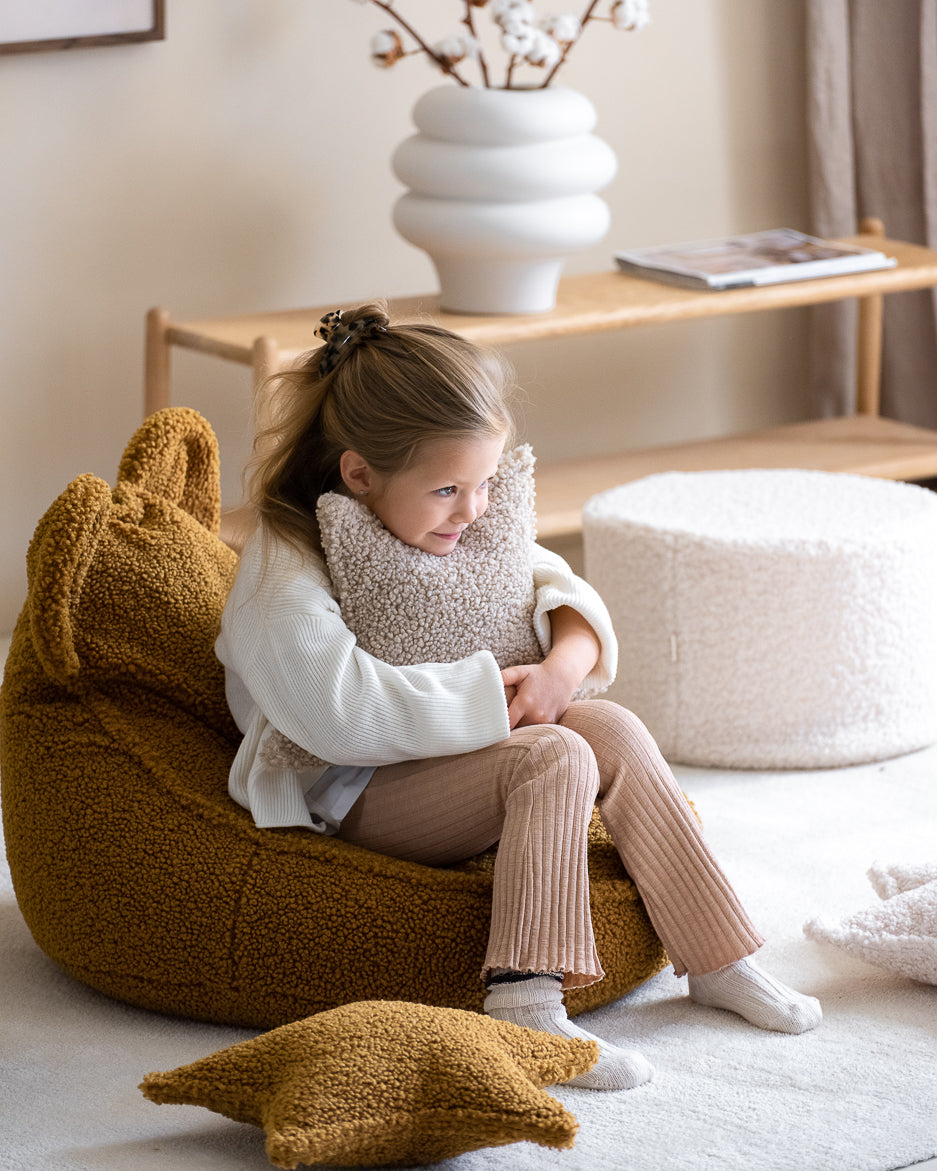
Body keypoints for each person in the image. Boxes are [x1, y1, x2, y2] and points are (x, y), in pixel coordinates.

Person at [215, 302, 821, 1092]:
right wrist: (496, 704)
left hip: (454, 753)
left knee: (608, 724)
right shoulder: (284, 562)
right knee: (554, 754)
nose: (473, 511)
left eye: (485, 483)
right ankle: (525, 999)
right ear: (359, 473)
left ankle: (716, 956)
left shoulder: (453, 512)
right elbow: (338, 713)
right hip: (349, 786)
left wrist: (562, 669)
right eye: (447, 490)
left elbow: (549, 581)